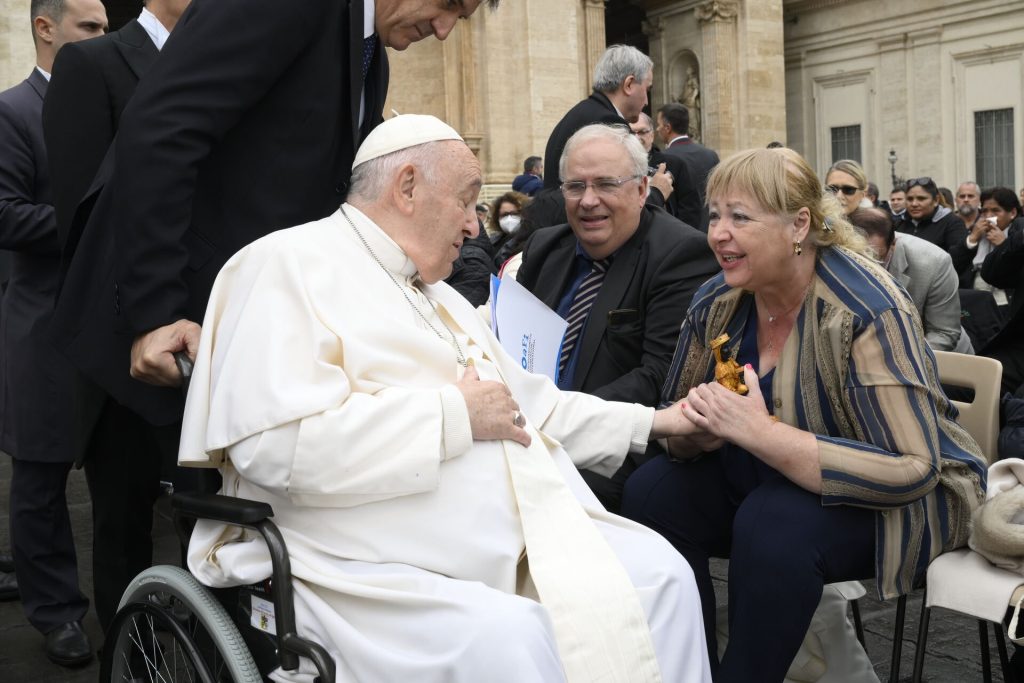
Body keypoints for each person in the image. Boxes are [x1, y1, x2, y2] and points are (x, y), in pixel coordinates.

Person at [179, 114, 711, 683]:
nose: (474, 224)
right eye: (465, 201)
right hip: (358, 563)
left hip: (514, 537)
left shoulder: (440, 296)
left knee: (663, 577)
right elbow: (273, 446)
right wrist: (452, 415)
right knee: (511, 638)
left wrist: (659, 423)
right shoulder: (282, 265)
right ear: (407, 186)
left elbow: (535, 407)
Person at [47, 0, 489, 630]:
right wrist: (155, 311)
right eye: (449, 4)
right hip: (165, 328)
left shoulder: (368, 56)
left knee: (226, 538)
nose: (445, 29)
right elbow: (163, 126)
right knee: (137, 532)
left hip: (240, 336)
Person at [620, 146, 986, 682]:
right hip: (766, 481)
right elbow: (675, 424)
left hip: (896, 498)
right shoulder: (716, 300)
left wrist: (759, 431)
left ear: (799, 225)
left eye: (740, 217)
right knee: (652, 493)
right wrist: (695, 433)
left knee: (773, 525)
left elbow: (913, 467)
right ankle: (692, 664)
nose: (718, 233)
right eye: (714, 215)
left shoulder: (865, 308)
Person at [40, 0, 189, 636]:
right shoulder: (92, 65)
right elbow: (80, 221)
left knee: (207, 530)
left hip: (208, 342)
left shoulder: (225, 63)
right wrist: (142, 326)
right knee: (125, 535)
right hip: (124, 353)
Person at [516, 123, 719, 510]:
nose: (588, 200)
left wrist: (563, 418)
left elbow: (659, 374)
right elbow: (508, 338)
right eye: (575, 186)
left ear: (643, 190)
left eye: (606, 184)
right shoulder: (545, 247)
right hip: (528, 427)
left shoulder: (679, 254)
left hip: (619, 445)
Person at [0, 0, 108, 666]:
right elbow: (6, 216)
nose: (105, 39)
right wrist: (96, 222)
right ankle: (56, 611)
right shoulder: (12, 113)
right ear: (46, 28)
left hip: (107, 324)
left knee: (117, 476)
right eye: (90, 28)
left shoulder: (110, 107)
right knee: (40, 481)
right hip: (41, 325)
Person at [850, 207, 973, 353]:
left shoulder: (935, 262)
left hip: (934, 356)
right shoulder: (831, 255)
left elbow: (943, 333)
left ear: (893, 244)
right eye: (857, 256)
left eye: (875, 257)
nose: (866, 265)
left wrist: (901, 362)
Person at [978, 188, 1024, 395]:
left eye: (995, 210)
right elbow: (992, 274)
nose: (989, 217)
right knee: (971, 385)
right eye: (985, 211)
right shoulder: (1020, 232)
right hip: (1018, 348)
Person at [896, 176, 973, 286]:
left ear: (936, 200)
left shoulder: (952, 223)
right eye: (909, 199)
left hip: (941, 289)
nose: (914, 204)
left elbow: (957, 261)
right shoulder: (899, 223)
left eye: (921, 199)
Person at [631, 112, 702, 229]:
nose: (637, 137)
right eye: (631, 132)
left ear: (652, 135)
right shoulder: (618, 166)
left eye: (642, 132)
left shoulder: (674, 164)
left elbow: (690, 209)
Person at [657, 102, 719, 231]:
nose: (657, 129)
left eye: (658, 125)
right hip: (711, 230)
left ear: (667, 128)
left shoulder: (664, 158)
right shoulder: (710, 155)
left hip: (679, 233)